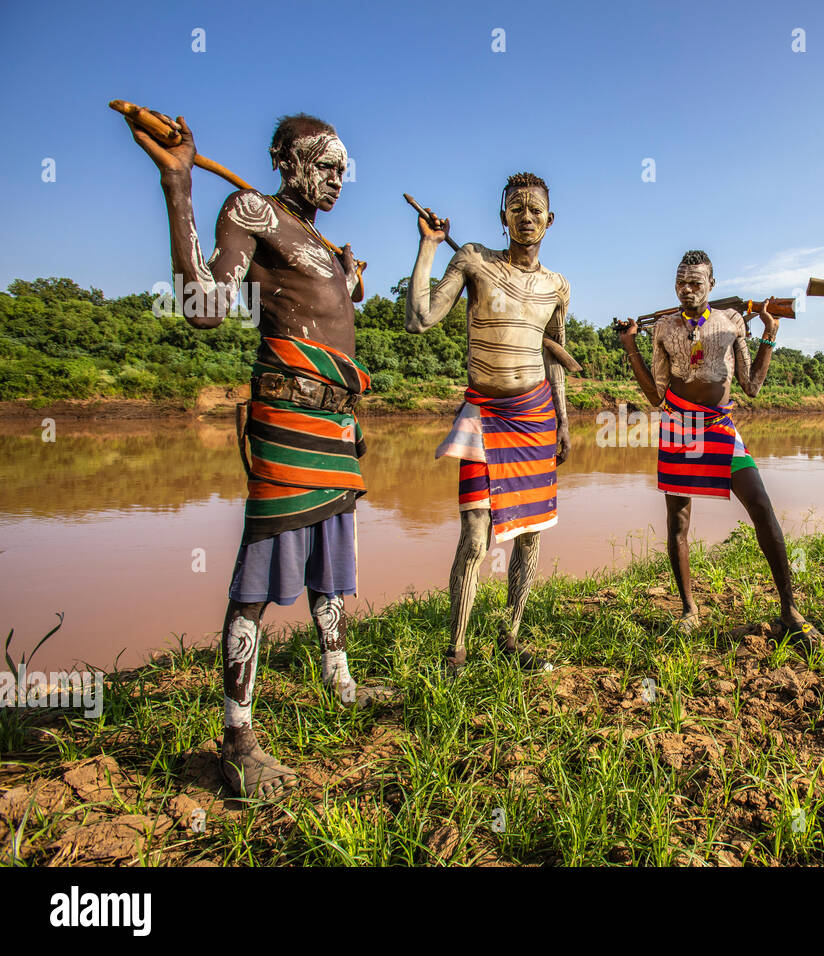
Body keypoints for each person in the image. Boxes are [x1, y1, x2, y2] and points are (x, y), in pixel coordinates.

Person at [127, 110, 387, 798]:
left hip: (335, 427)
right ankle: (237, 737)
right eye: (324, 164)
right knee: (257, 581)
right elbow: (205, 305)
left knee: (330, 564)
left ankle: (341, 683)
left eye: (342, 168)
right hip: (287, 420)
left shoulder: (319, 241)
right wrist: (179, 184)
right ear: (285, 159)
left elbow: (333, 303)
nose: (337, 178)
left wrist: (347, 273)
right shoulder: (253, 212)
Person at [406, 173, 571, 674]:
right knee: (475, 536)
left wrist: (564, 420)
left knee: (531, 534)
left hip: (537, 417)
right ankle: (455, 651)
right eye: (516, 208)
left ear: (550, 219)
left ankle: (511, 636)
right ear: (503, 217)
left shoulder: (557, 286)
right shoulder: (474, 260)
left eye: (535, 209)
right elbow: (419, 319)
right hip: (485, 415)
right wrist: (429, 247)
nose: (526, 217)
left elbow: (555, 357)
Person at [615, 250, 819, 641]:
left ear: (712, 285)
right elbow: (656, 395)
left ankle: (790, 610)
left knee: (761, 506)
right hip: (677, 424)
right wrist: (630, 347)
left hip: (720, 426)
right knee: (678, 521)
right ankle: (689, 609)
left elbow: (752, 385)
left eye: (695, 282)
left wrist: (770, 334)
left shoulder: (732, 322)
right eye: (681, 282)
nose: (687, 289)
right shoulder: (662, 327)